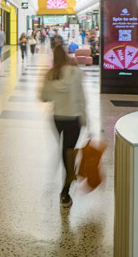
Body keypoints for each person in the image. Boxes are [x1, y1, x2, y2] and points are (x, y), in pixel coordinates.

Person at [40, 45, 87, 208]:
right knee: (69, 152)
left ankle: (67, 181)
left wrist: (53, 91)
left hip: (58, 118)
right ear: (67, 56)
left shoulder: (51, 74)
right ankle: (65, 192)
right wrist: (85, 119)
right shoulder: (75, 73)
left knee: (64, 150)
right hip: (74, 117)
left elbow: (44, 97)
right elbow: (81, 98)